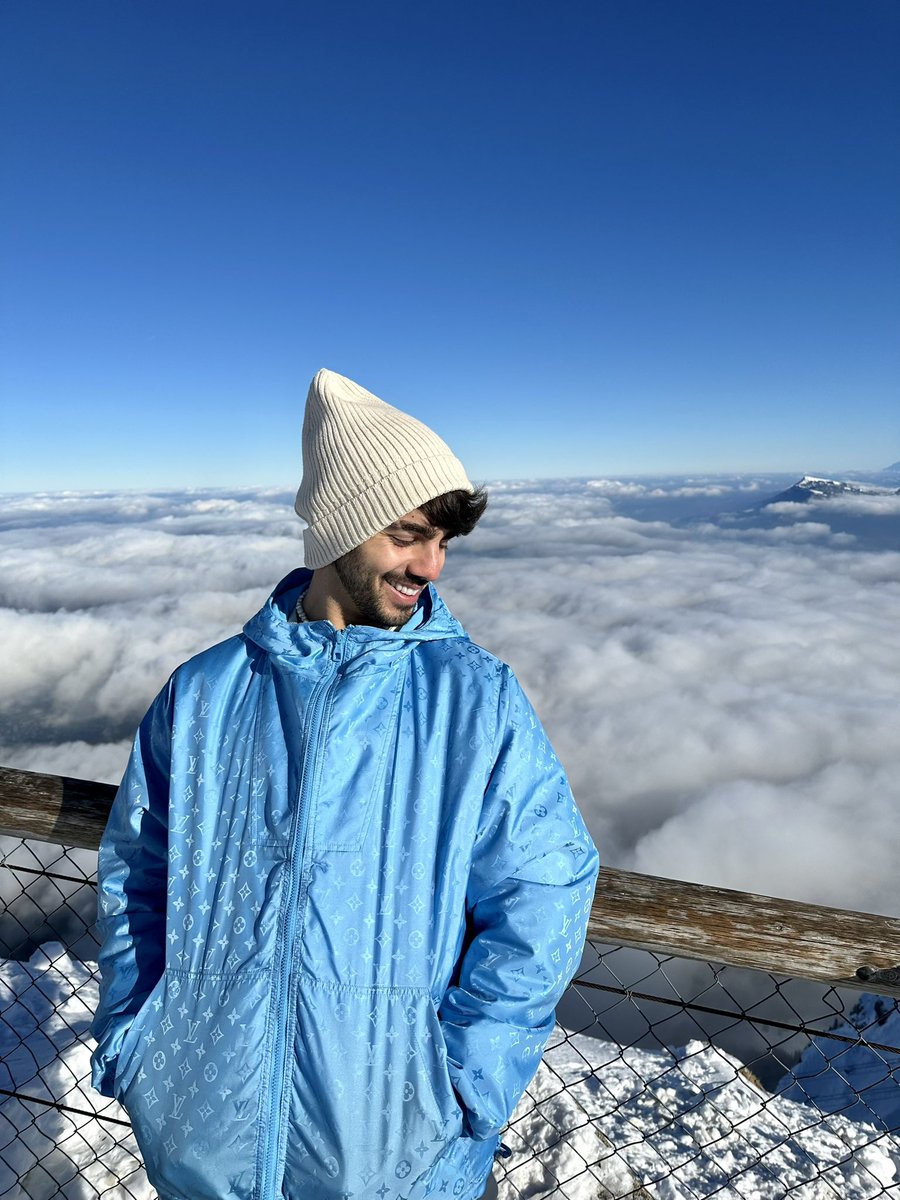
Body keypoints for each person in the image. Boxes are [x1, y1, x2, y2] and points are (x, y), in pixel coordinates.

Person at [91, 368, 599, 1200]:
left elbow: (545, 888)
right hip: (198, 1144)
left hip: (395, 1154)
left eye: (444, 542)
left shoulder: (474, 699)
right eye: (408, 535)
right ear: (341, 526)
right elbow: (138, 869)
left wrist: (467, 1085)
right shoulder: (207, 692)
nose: (430, 565)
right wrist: (135, 1033)